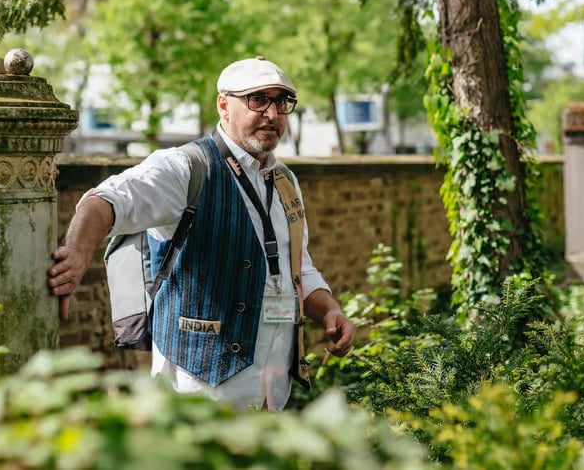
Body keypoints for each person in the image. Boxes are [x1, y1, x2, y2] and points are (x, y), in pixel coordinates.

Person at [47, 56, 355, 410]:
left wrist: (329, 309)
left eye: (281, 101)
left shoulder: (285, 181)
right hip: (198, 395)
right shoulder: (186, 167)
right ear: (224, 105)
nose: (272, 113)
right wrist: (78, 252)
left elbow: (297, 267)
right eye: (257, 99)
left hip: (274, 392)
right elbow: (106, 199)